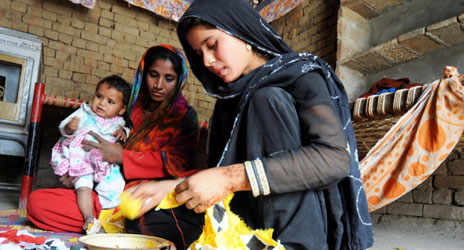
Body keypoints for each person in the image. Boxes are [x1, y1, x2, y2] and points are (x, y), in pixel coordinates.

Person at [173, 0, 374, 249]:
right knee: (155, 221)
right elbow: (219, 172)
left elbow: (334, 159)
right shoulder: (228, 100)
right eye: (198, 53)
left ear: (241, 31)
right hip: (248, 221)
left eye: (212, 45)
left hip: (301, 227)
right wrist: (171, 189)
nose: (206, 61)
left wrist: (230, 177)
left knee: (266, 100)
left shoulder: (301, 75)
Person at [27, 45, 204, 249]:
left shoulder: (184, 116)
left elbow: (179, 164)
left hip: (149, 198)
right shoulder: (132, 107)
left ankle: (119, 227)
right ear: (143, 74)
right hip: (109, 193)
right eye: (153, 75)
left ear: (179, 80)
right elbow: (99, 148)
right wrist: (77, 172)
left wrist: (124, 157)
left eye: (169, 78)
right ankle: (102, 224)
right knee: (38, 203)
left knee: (160, 224)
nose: (159, 85)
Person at [50, 75, 130, 231]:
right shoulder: (84, 113)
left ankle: (112, 219)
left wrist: (124, 133)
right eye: (99, 96)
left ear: (121, 109)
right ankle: (89, 217)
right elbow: (63, 127)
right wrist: (69, 128)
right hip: (82, 161)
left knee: (115, 186)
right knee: (83, 186)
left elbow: (127, 132)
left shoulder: (119, 123)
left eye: (110, 101)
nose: (102, 103)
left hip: (105, 164)